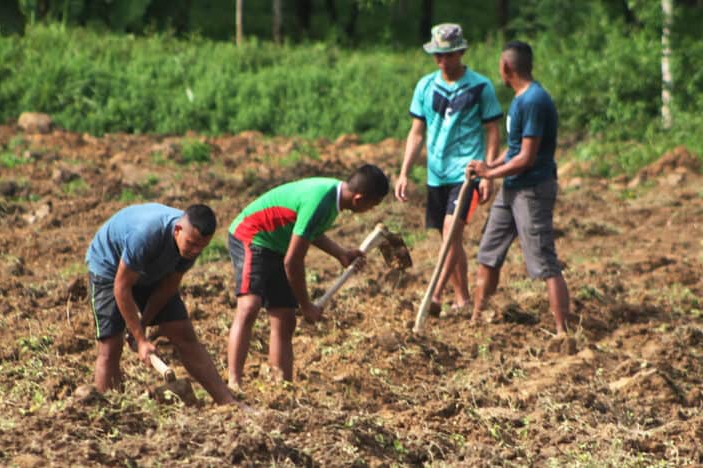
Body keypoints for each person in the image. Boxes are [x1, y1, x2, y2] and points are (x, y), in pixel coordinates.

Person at [227, 164, 389, 390]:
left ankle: (282, 386)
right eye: (374, 204)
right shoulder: (321, 201)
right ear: (359, 199)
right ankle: (233, 383)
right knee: (249, 305)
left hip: (275, 245)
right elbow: (292, 262)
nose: (372, 209)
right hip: (252, 236)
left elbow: (308, 230)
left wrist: (341, 254)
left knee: (284, 317)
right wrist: (306, 305)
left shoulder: (333, 199)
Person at [395, 23, 502, 318]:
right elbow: (417, 132)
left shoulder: (481, 86)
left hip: (467, 173)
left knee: (450, 232)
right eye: (438, 56)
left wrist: (489, 172)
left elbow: (493, 131)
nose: (443, 61)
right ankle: (462, 298)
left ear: (461, 52)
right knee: (449, 240)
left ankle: (436, 293)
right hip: (436, 172)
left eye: (449, 55)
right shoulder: (425, 86)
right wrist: (404, 172)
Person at [86, 203, 238, 405]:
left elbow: (168, 287)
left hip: (151, 272)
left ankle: (228, 401)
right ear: (177, 230)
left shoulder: (192, 243)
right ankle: (110, 413)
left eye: (201, 246)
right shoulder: (146, 235)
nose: (195, 251)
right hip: (109, 268)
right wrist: (141, 341)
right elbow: (121, 287)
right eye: (191, 244)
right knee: (111, 346)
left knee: (183, 332)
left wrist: (140, 327)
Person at [467, 40, 569, 335]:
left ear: (506, 67)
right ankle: (476, 319)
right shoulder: (519, 99)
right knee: (488, 252)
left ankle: (563, 330)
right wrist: (487, 168)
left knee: (543, 258)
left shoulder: (535, 100)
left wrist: (491, 172)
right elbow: (512, 152)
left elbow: (526, 158)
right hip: (512, 188)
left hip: (532, 189)